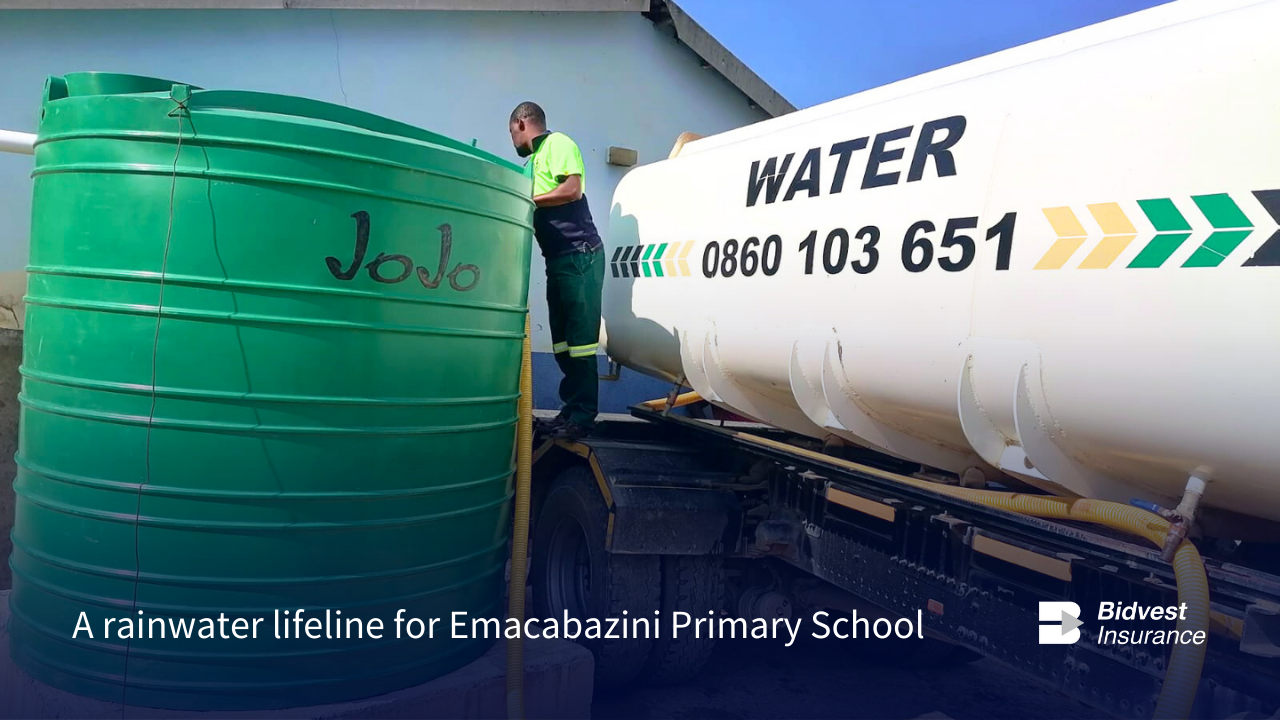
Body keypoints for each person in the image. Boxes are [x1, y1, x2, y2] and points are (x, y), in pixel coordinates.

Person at [509, 101, 605, 440]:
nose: (513, 141)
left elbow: (571, 189)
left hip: (580, 255)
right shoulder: (533, 163)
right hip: (558, 260)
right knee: (562, 342)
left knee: (579, 342)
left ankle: (584, 416)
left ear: (522, 123)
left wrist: (530, 200)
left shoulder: (558, 144)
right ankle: (570, 410)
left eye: (511, 133)